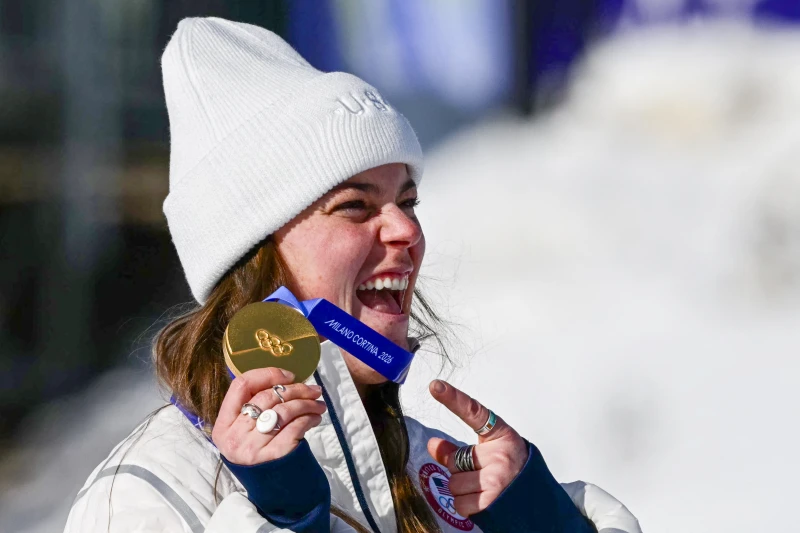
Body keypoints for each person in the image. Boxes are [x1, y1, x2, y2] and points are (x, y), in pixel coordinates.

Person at [64, 17, 641, 533]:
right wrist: (286, 522)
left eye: (408, 202)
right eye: (356, 206)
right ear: (253, 256)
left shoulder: (435, 473)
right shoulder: (145, 494)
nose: (406, 232)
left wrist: (543, 524)